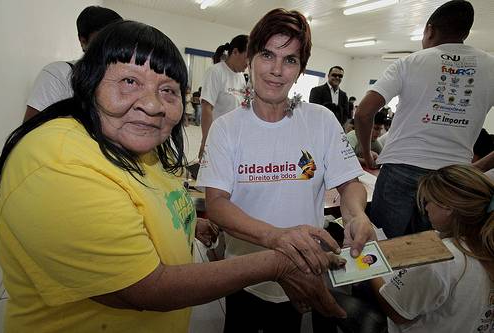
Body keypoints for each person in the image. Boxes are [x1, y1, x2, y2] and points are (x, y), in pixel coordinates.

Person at [0, 20, 348, 333]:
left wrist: (189, 221)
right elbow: (146, 288)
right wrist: (280, 261)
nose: (152, 104)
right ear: (89, 82)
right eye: (130, 81)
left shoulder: (142, 148)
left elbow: (144, 203)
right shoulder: (58, 162)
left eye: (168, 90)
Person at [197, 8, 375, 333]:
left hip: (302, 273)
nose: (277, 70)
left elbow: (349, 183)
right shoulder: (227, 128)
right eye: (267, 55)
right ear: (250, 59)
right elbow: (217, 204)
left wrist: (357, 216)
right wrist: (277, 237)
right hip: (243, 274)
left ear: (300, 69)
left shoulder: (320, 121)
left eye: (290, 60)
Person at [355, 0, 494, 238]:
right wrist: (479, 168)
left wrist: (368, 155)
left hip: (400, 170)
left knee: (382, 246)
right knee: (430, 252)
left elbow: (364, 112)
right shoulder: (491, 67)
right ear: (466, 33)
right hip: (451, 179)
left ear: (429, 30)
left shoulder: (411, 62)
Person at [369, 164, 494, 333]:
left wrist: (371, 261)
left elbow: (397, 311)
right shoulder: (484, 245)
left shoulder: (443, 260)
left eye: (428, 201)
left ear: (448, 207)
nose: (426, 208)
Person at [23, 5, 122, 122]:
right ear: (83, 41)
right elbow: (31, 131)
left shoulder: (125, 79)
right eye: (102, 42)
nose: (111, 49)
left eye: (117, 41)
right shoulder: (58, 74)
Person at [198, 34, 249, 160]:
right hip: (217, 137)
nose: (249, 62)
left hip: (234, 139)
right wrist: (206, 141)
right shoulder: (215, 72)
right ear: (235, 52)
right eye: (247, 57)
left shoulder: (241, 77)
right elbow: (207, 108)